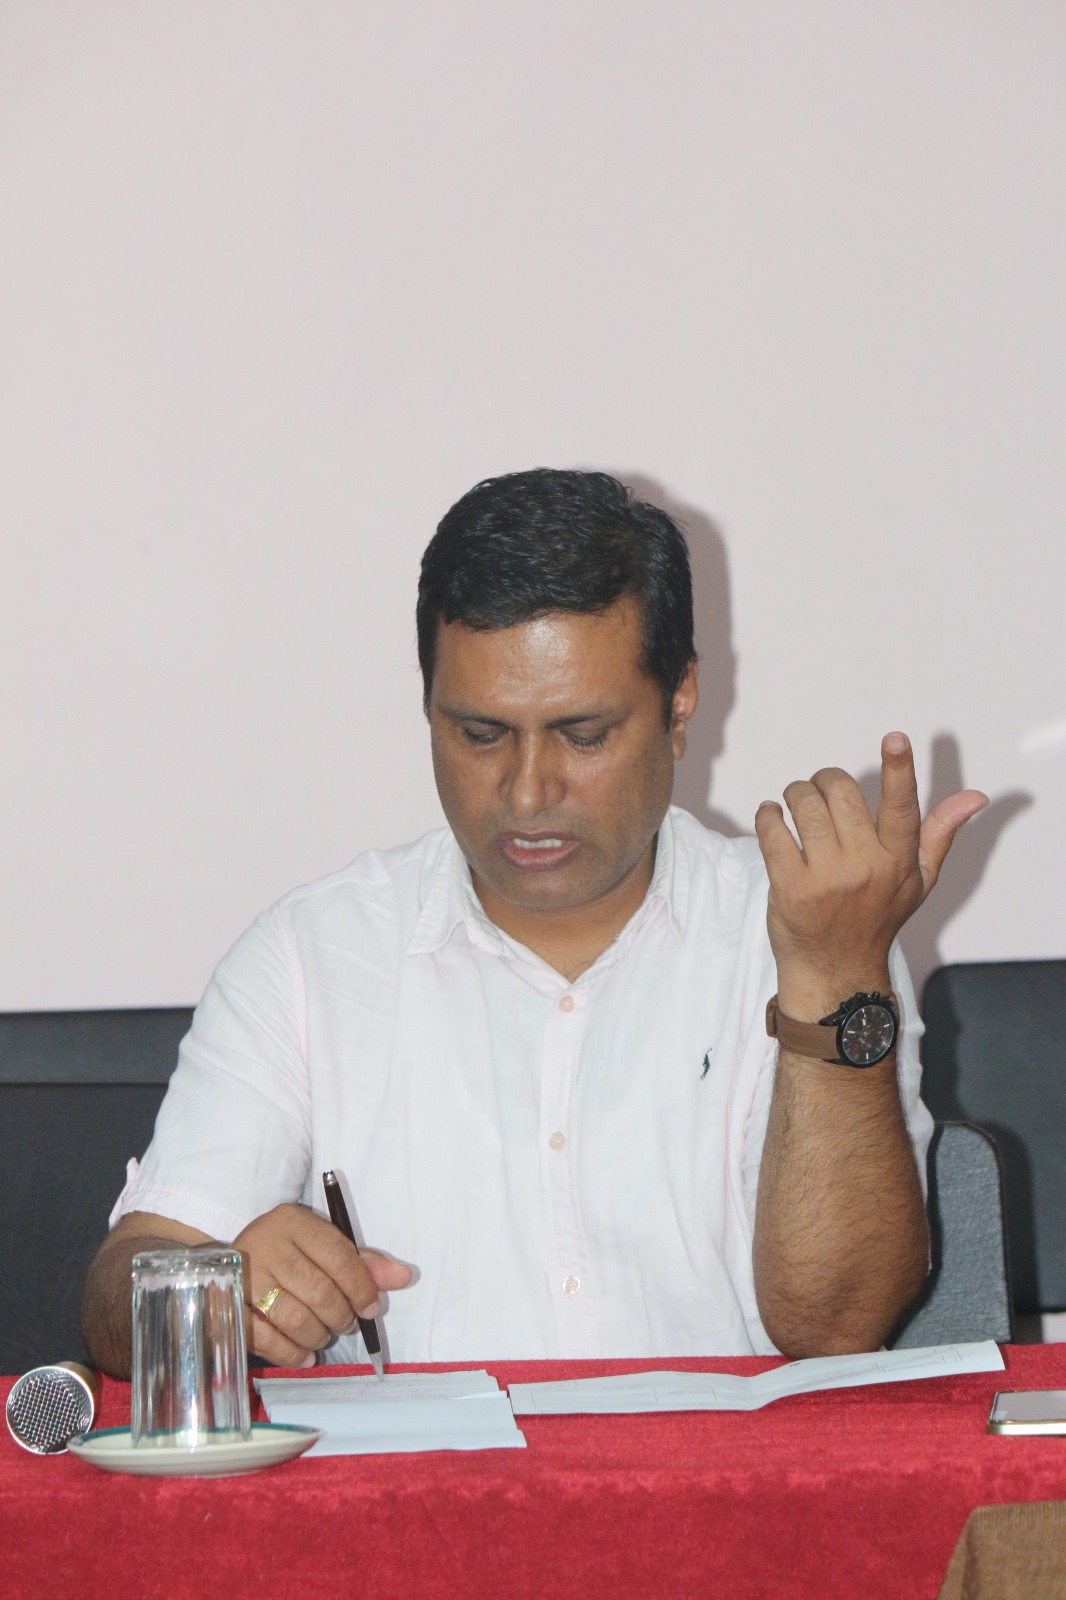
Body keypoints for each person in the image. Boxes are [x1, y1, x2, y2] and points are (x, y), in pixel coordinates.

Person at [81, 469, 988, 1378]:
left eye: (582, 735)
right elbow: (121, 1294)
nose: (526, 794)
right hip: (414, 1475)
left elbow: (836, 1326)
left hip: (725, 1472)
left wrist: (834, 977)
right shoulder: (310, 956)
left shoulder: (807, 929)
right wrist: (216, 1289)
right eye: (480, 735)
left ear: (679, 704)